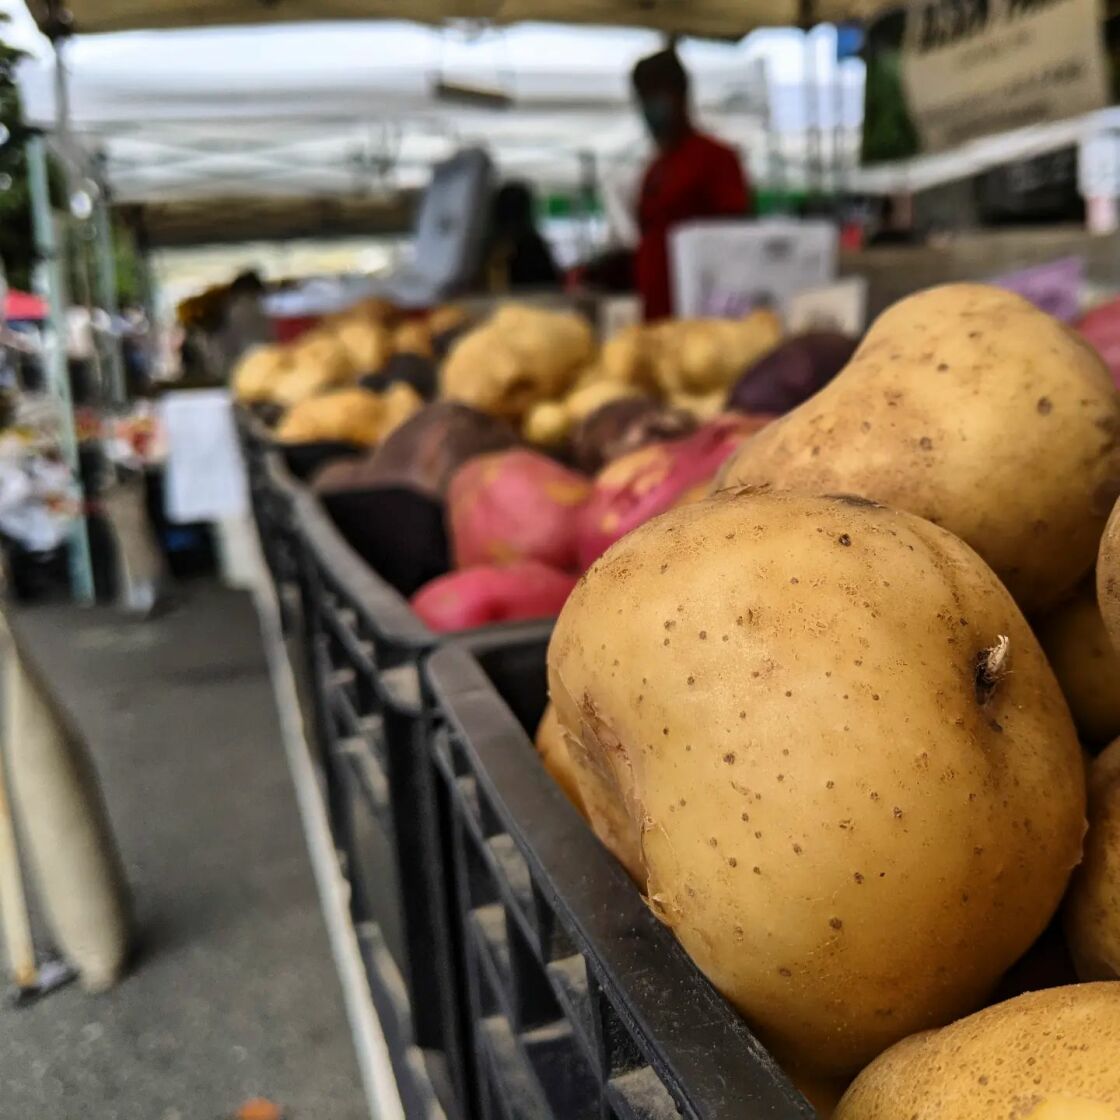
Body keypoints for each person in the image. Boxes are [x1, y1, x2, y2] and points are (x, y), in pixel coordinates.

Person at [632, 48, 752, 320]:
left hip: (701, 320)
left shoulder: (715, 159)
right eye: (642, 97)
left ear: (681, 94)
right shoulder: (654, 169)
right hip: (655, 316)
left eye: (655, 94)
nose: (648, 106)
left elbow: (739, 242)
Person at [485, 182, 561, 292]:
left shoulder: (486, 247)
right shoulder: (532, 245)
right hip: (531, 305)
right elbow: (549, 285)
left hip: (494, 306)